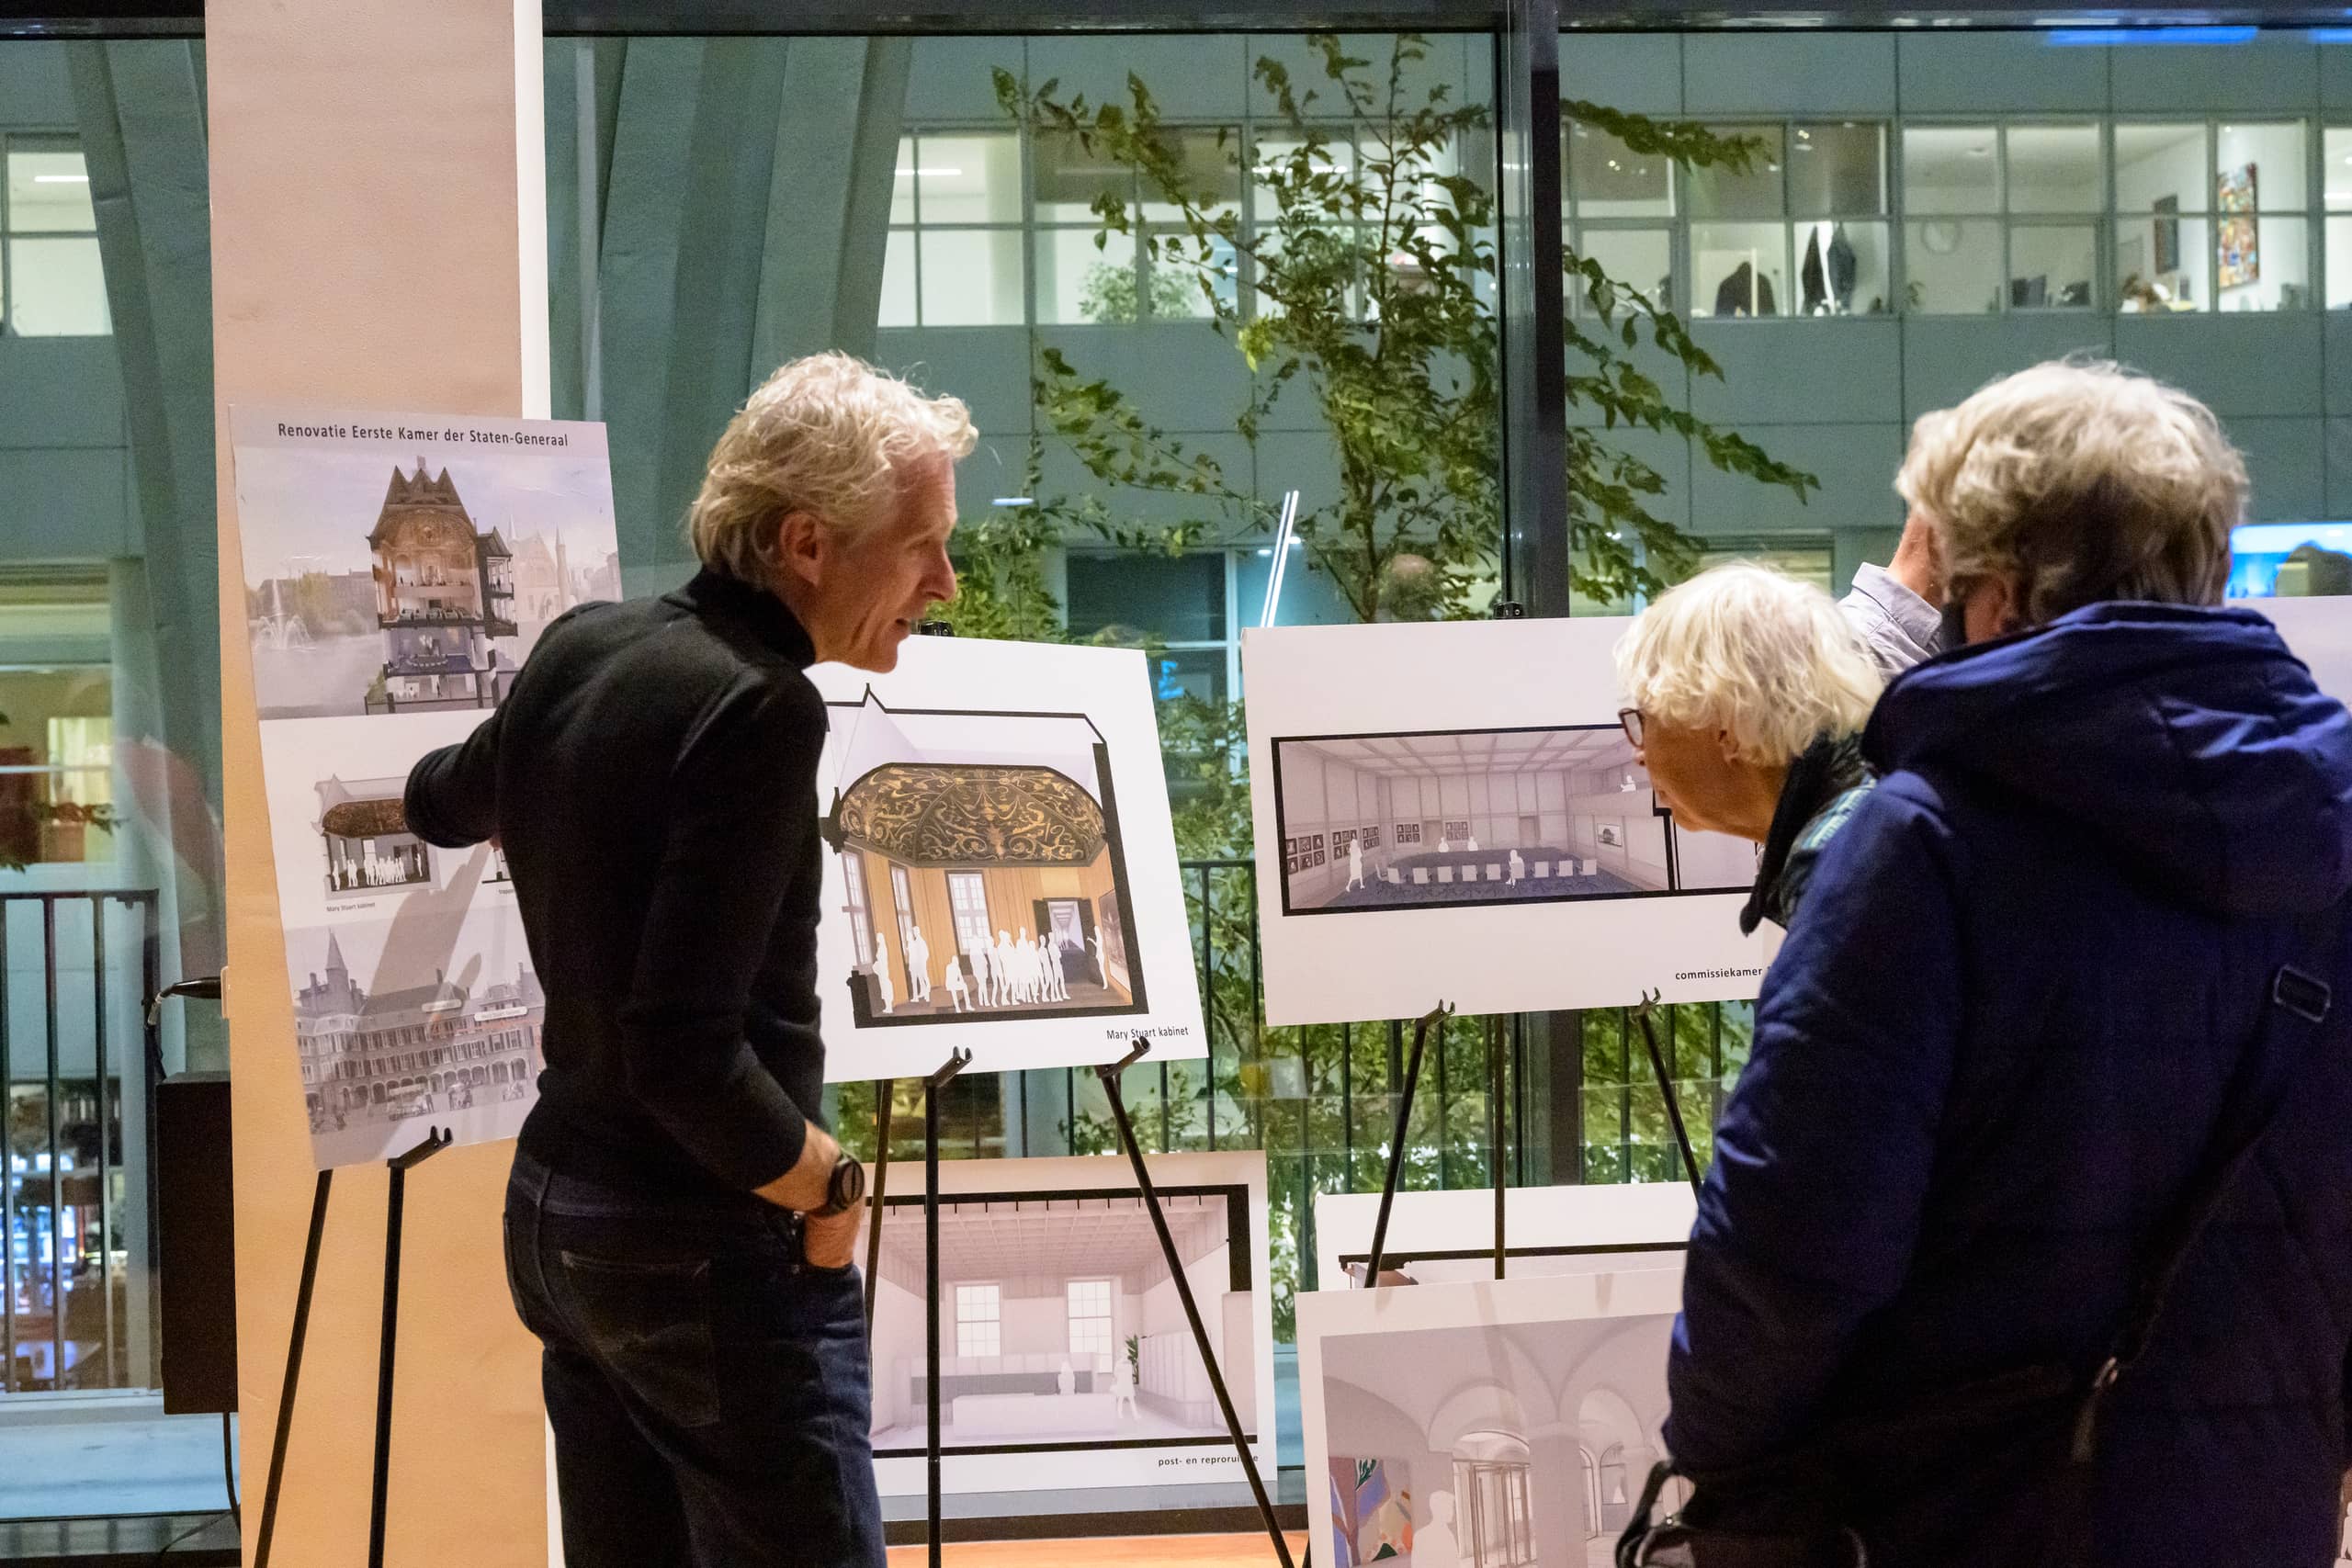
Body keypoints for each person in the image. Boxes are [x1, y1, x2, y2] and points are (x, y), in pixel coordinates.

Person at [1660, 360, 2352, 1566]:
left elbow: (1790, 1249)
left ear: (2001, 594)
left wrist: (1722, 1470)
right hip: (2255, 1515)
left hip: (1958, 1514)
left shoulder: (1924, 845)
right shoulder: (2331, 836)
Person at [405, 351, 974, 1568]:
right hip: (699, 1247)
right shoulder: (762, 706)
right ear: (809, 543)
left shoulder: (583, 647)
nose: (947, 582)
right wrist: (829, 1186)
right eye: (922, 544)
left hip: (562, 1224)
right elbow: (681, 1051)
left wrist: (576, 811)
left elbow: (438, 797)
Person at [1613, 562, 1883, 933]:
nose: (1639, 755)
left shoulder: (1836, 869)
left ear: (1726, 723)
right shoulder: (1869, 816)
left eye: (1645, 720)